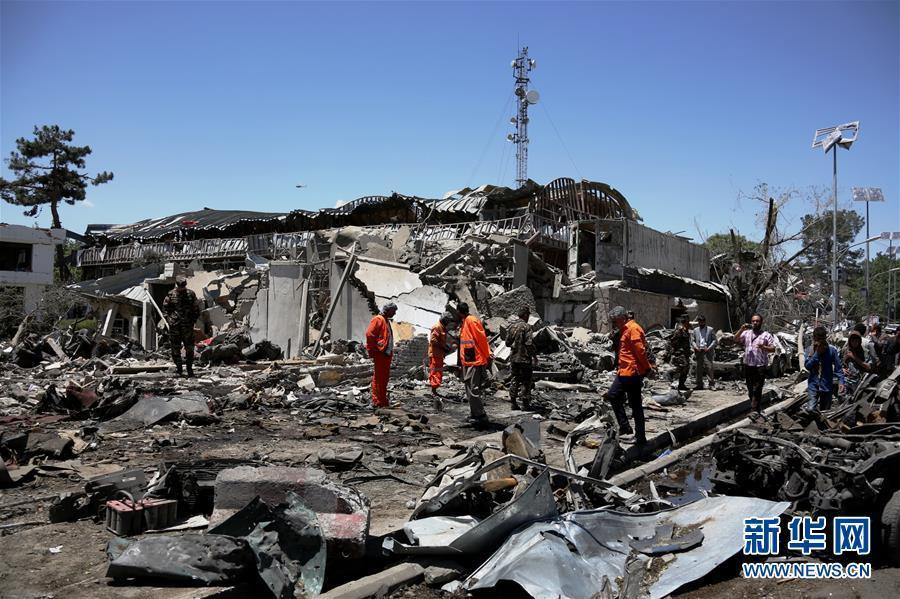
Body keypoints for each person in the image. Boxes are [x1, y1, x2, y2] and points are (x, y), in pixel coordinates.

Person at [606, 306, 655, 445]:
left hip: (632, 372)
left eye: (615, 321)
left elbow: (640, 351)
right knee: (613, 395)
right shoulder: (624, 330)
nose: (614, 324)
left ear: (622, 318)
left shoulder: (633, 329)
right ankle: (625, 427)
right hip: (624, 371)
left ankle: (640, 438)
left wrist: (647, 368)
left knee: (636, 405)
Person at [457, 302, 492, 425]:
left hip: (474, 360)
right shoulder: (466, 321)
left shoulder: (471, 321)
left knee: (473, 389)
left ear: (459, 312)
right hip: (468, 360)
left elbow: (481, 338)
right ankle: (474, 413)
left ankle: (481, 415)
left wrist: (487, 354)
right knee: (469, 389)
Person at [735, 314, 777, 412]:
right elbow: (735, 339)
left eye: (757, 321)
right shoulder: (746, 333)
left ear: (761, 322)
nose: (755, 323)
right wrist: (741, 329)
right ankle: (756, 408)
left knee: (757, 389)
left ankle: (754, 410)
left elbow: (773, 349)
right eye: (753, 321)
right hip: (748, 365)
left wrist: (764, 347)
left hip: (760, 366)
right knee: (750, 389)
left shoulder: (766, 335)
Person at [163, 276, 201, 377]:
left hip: (187, 326)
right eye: (180, 287)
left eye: (183, 287)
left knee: (189, 348)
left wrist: (192, 321)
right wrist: (169, 320)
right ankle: (179, 369)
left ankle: (189, 369)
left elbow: (196, 309)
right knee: (175, 348)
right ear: (177, 285)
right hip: (175, 326)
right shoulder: (171, 294)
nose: (181, 288)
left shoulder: (191, 294)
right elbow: (165, 309)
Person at [805, 326, 845, 411]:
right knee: (811, 409)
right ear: (814, 338)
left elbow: (838, 368)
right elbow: (807, 366)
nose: (820, 341)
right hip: (813, 385)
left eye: (822, 339)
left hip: (826, 385)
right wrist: (817, 354)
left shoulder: (831, 350)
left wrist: (841, 382)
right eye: (818, 339)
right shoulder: (810, 350)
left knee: (825, 411)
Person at [365, 302, 397, 408]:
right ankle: (377, 401)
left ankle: (382, 400)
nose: (395, 313)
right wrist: (374, 349)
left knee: (384, 378)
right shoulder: (378, 319)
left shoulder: (386, 320)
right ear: (388, 310)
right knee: (379, 378)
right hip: (381, 353)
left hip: (386, 354)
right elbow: (370, 334)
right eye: (393, 311)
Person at [505, 306, 537, 410]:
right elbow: (529, 343)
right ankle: (525, 403)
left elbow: (507, 343)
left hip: (514, 358)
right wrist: (534, 356)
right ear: (526, 315)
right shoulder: (527, 327)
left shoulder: (512, 327)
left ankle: (513, 403)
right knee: (526, 381)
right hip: (524, 358)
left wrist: (516, 345)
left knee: (515, 379)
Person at [428, 312, 455, 411]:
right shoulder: (437, 327)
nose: (448, 323)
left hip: (439, 354)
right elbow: (434, 340)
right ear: (444, 319)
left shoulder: (442, 327)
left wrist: (444, 347)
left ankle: (434, 390)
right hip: (435, 353)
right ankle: (433, 391)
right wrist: (443, 347)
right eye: (448, 320)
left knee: (438, 371)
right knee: (435, 371)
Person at [842, 330, 873, 394]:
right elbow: (838, 363)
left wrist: (854, 357)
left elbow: (868, 367)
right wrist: (842, 369)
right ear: (850, 341)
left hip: (860, 382)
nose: (854, 343)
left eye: (857, 341)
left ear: (859, 341)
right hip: (846, 380)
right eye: (852, 340)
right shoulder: (845, 350)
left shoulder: (865, 352)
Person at [691, 314, 717, 390]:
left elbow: (714, 340)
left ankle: (711, 384)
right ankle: (699, 384)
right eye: (700, 321)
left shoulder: (710, 329)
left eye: (703, 321)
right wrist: (695, 347)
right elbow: (692, 340)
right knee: (699, 368)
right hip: (699, 351)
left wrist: (709, 348)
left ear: (705, 321)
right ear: (698, 322)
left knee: (709, 367)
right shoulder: (695, 330)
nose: (701, 323)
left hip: (707, 351)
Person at [667, 316, 692, 391]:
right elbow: (673, 341)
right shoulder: (679, 331)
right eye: (687, 322)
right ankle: (670, 376)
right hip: (680, 354)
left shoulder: (686, 331)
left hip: (686, 353)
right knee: (680, 368)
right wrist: (677, 350)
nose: (689, 324)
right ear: (684, 323)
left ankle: (681, 384)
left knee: (686, 369)